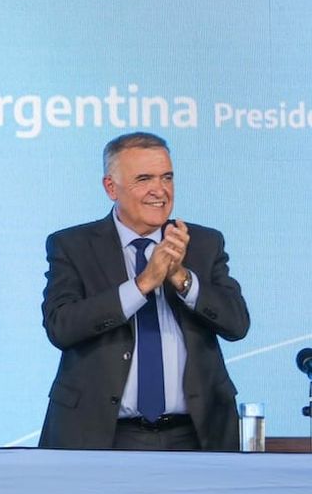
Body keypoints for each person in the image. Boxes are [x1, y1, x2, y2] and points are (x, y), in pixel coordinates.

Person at [39, 132, 249, 451]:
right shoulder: (72, 246)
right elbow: (62, 327)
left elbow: (237, 324)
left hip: (195, 435)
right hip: (103, 435)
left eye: (167, 177)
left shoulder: (203, 243)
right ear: (111, 187)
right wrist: (141, 285)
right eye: (144, 179)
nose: (160, 190)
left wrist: (182, 278)